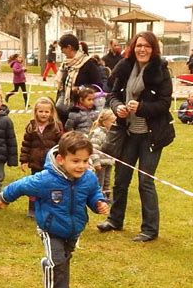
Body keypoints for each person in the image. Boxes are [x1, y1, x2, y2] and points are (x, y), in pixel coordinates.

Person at [0, 131, 109, 288]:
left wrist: (98, 203)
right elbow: (22, 185)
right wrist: (5, 196)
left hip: (74, 229)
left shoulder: (88, 178)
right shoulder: (46, 179)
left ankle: (52, 264)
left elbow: (93, 193)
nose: (81, 166)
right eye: (76, 161)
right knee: (58, 262)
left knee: (63, 260)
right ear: (61, 159)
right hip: (50, 229)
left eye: (85, 161)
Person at [97, 32, 175, 242]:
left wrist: (141, 107)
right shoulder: (124, 67)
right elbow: (112, 96)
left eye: (147, 46)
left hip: (151, 135)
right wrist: (118, 107)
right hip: (128, 133)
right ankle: (115, 219)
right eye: (139, 45)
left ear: (153, 49)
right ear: (133, 47)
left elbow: (164, 104)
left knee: (145, 182)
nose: (142, 49)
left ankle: (149, 229)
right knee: (121, 179)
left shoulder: (161, 71)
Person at [20, 97, 64, 217]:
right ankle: (32, 209)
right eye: (41, 111)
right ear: (36, 112)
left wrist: (60, 159)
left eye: (46, 111)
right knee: (35, 185)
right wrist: (24, 160)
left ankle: (53, 209)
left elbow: (61, 144)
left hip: (51, 164)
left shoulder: (56, 126)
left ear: (51, 112)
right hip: (35, 163)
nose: (43, 114)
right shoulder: (31, 126)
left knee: (53, 186)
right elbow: (26, 145)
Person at [55, 33, 102, 124]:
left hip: (80, 112)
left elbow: (98, 85)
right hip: (64, 110)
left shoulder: (89, 64)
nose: (61, 51)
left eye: (62, 48)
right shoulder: (65, 64)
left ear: (69, 47)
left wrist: (81, 89)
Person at [89, 109, 116, 201]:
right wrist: (96, 162)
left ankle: (106, 197)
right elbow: (94, 148)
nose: (115, 124)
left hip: (109, 162)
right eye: (113, 122)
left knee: (107, 180)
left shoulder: (112, 133)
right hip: (100, 163)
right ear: (104, 123)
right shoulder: (98, 133)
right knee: (99, 180)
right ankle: (97, 197)